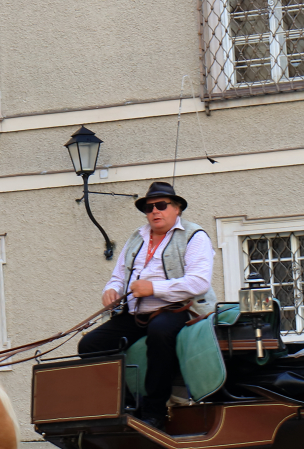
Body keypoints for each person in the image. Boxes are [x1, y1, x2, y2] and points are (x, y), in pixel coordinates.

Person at [79, 181, 214, 425]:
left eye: (161, 205)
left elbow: (199, 282)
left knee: (160, 331)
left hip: (180, 309)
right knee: (89, 345)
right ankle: (129, 403)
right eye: (149, 207)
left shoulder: (195, 236)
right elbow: (119, 276)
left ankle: (155, 412)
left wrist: (154, 288)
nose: (154, 211)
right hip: (137, 312)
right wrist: (110, 290)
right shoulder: (136, 237)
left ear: (177, 209)